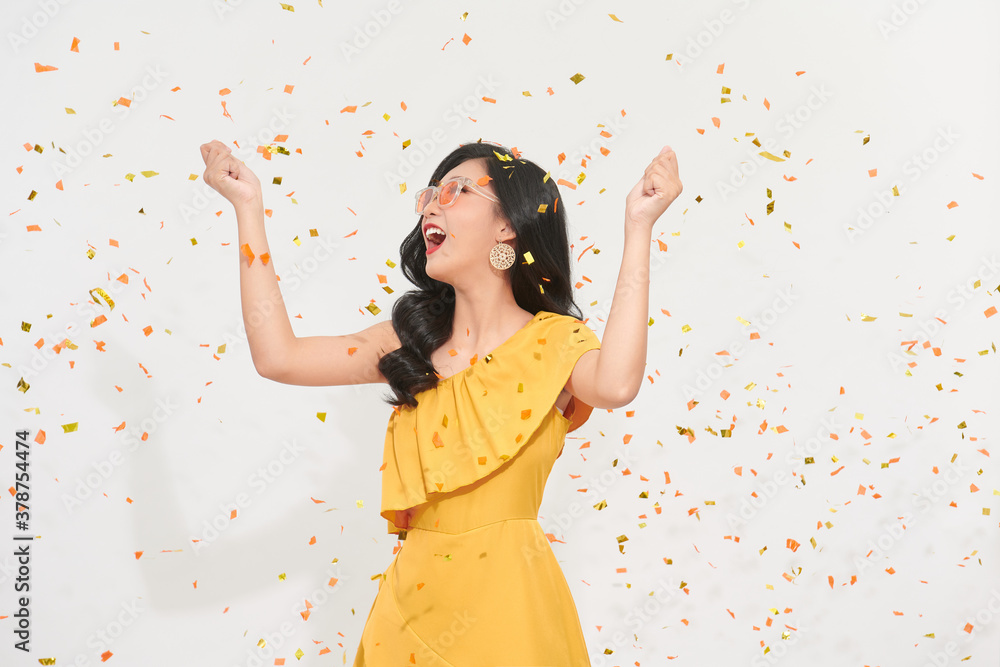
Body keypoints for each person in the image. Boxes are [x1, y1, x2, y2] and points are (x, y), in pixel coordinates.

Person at [199, 138, 681, 665]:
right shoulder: (408, 343)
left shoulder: (556, 340)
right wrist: (248, 209)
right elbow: (279, 357)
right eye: (431, 193)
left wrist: (639, 227)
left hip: (511, 611)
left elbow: (615, 386)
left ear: (507, 227)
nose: (432, 204)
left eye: (458, 190)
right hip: (408, 616)